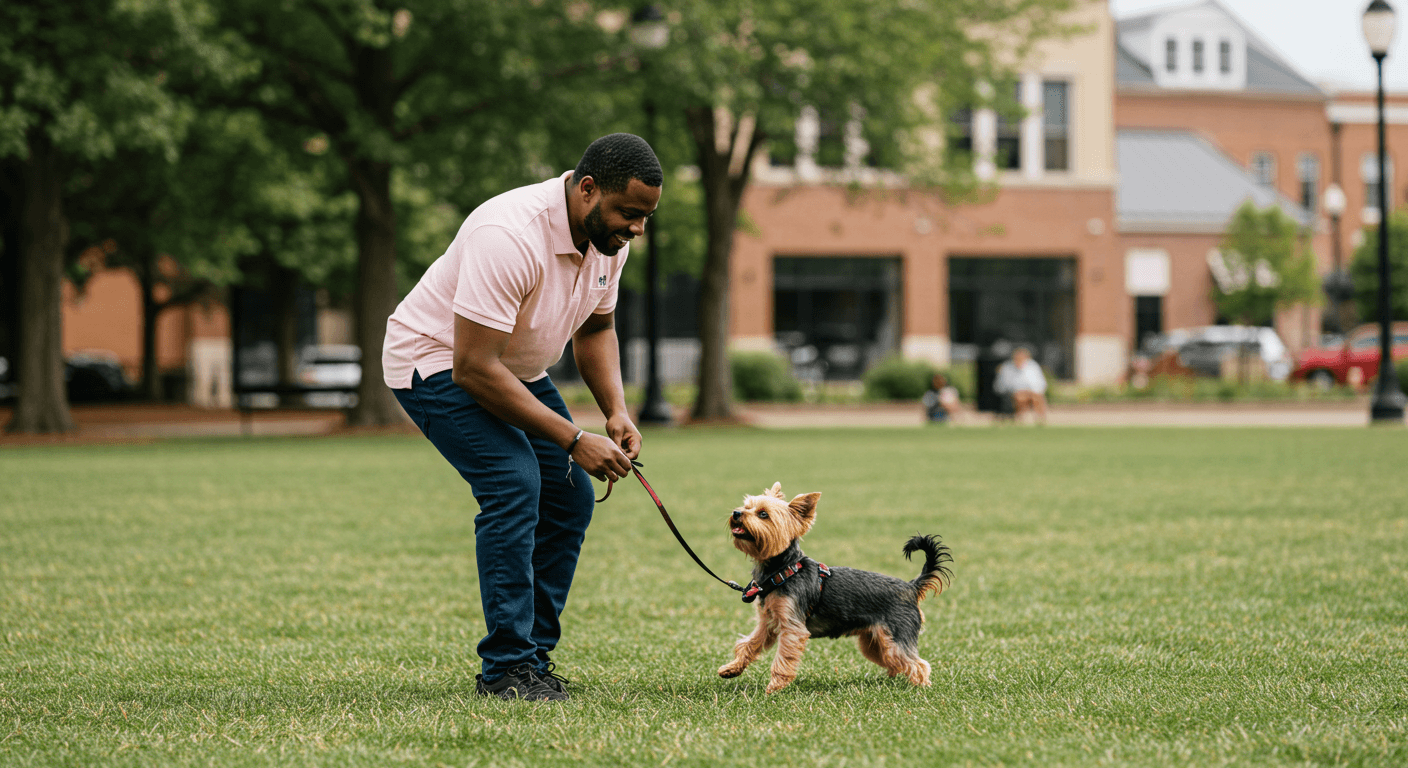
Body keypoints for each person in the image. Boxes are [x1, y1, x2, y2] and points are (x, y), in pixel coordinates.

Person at [382, 134, 661, 702]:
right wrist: (573, 437)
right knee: (514, 482)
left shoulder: (608, 240)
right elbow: (473, 367)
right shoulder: (508, 234)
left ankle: (532, 660)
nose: (636, 229)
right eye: (629, 213)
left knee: (569, 498)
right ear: (588, 189)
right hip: (436, 361)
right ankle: (506, 670)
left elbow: (597, 329)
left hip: (512, 366)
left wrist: (615, 411)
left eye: (645, 217)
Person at [993, 346, 1047, 425]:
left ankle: (1040, 420)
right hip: (1012, 394)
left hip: (1031, 393)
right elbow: (1000, 386)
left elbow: (1041, 384)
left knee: (1037, 397)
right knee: (1019, 397)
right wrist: (1015, 391)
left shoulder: (1033, 367)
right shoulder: (1006, 367)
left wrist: (1030, 392)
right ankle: (1019, 419)